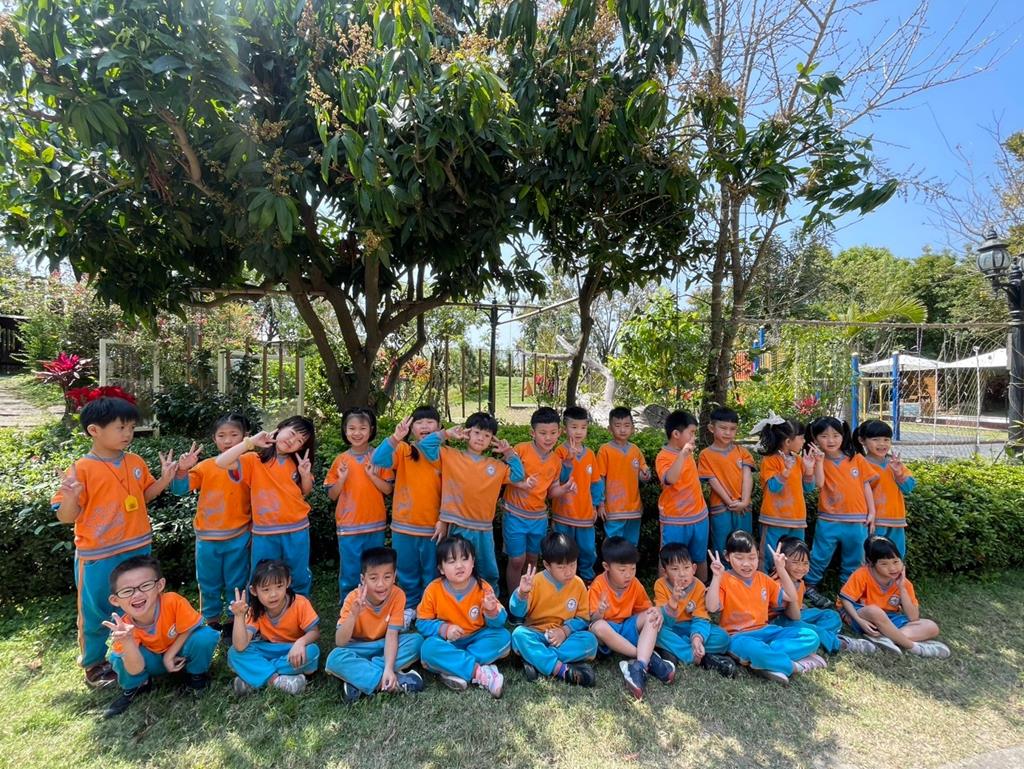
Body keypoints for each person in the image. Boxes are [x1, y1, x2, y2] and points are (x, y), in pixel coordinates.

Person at [53, 396, 179, 689]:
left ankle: (141, 649)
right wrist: (70, 497)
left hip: (138, 548)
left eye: (131, 428)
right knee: (96, 610)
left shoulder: (134, 462)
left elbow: (144, 495)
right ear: (94, 430)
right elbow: (66, 517)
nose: (128, 434)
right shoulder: (81, 469)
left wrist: (165, 479)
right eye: (121, 428)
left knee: (142, 603)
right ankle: (95, 664)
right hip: (99, 555)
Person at [419, 413, 525, 596]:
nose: (481, 438)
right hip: (456, 525)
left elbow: (518, 475)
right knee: (454, 567)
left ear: (491, 440)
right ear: (467, 433)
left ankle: (491, 603)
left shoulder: (496, 466)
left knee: (487, 570)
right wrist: (447, 434)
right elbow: (425, 446)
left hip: (483, 528)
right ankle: (452, 602)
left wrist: (508, 452)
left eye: (487, 436)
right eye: (476, 433)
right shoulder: (450, 455)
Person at [101, 555, 219, 718]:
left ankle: (196, 675)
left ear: (159, 585)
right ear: (115, 600)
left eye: (145, 585)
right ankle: (137, 686)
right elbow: (135, 668)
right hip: (151, 662)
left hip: (180, 654)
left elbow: (188, 628)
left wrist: (170, 655)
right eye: (127, 591)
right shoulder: (124, 627)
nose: (137, 594)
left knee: (205, 636)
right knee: (118, 657)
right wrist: (127, 641)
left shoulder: (172, 602)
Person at [706, 531, 826, 685]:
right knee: (753, 649)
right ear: (727, 556)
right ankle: (796, 666)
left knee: (811, 637)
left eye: (751, 557)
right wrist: (716, 577)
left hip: (766, 632)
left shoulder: (763, 578)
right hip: (738, 636)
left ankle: (766, 661)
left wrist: (781, 569)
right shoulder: (723, 579)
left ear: (758, 555)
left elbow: (791, 597)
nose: (746, 564)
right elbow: (712, 607)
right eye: (739, 558)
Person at [171, 413, 253, 636]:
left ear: (245, 437)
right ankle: (212, 620)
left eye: (234, 435)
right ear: (214, 439)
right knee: (208, 582)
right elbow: (179, 489)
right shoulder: (206, 466)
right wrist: (182, 470)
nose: (228, 440)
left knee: (237, 581)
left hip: (239, 536)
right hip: (207, 539)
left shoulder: (250, 463)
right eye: (221, 435)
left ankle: (235, 619)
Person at [214, 416, 316, 596]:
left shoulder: (298, 462)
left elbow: (304, 491)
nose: (292, 441)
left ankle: (300, 609)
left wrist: (305, 474)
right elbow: (221, 462)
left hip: (297, 529)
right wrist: (250, 442)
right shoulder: (254, 460)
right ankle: (256, 612)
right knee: (261, 577)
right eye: (292, 433)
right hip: (264, 532)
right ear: (281, 427)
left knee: (298, 575)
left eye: (300, 441)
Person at [372, 405, 444, 626]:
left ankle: (430, 607)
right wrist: (396, 437)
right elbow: (378, 459)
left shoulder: (445, 455)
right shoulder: (403, 450)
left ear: (439, 427)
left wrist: (443, 519)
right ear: (412, 429)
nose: (425, 426)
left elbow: (452, 491)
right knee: (407, 569)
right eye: (419, 422)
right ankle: (410, 606)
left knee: (432, 570)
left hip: (433, 527)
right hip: (404, 526)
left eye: (430, 421)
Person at [325, 546, 425, 703]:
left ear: (394, 577)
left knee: (417, 641)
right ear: (363, 579)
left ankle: (359, 678)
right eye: (373, 578)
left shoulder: (398, 595)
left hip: (384, 644)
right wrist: (353, 615)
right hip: (356, 648)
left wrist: (388, 668)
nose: (381, 584)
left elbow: (392, 635)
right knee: (335, 657)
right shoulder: (353, 599)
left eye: (387, 577)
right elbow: (340, 641)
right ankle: (390, 681)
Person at [416, 535, 512, 698]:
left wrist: (491, 611)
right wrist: (445, 629)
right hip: (448, 643)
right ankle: (480, 673)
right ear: (441, 568)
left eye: (465, 559)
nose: (459, 565)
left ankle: (453, 667)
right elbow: (421, 623)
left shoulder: (483, 587)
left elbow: (500, 622)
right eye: (451, 561)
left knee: (504, 637)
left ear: (473, 562)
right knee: (428, 648)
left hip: (477, 639)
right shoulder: (433, 590)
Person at [803, 417, 879, 609]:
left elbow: (866, 486)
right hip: (828, 520)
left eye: (836, 435)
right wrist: (819, 462)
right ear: (815, 438)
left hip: (857, 520)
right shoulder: (817, 460)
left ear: (843, 436)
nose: (831, 440)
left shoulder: (856, 458)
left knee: (855, 557)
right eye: (824, 436)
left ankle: (848, 592)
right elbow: (819, 484)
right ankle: (808, 586)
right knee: (819, 556)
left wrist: (872, 512)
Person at [588, 536, 675, 699]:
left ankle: (639, 665)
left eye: (633, 568)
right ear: (606, 567)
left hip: (626, 627)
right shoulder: (598, 585)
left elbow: (645, 609)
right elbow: (593, 620)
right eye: (622, 570)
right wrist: (600, 610)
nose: (628, 575)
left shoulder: (634, 584)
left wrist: (656, 612)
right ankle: (645, 657)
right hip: (608, 632)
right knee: (598, 627)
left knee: (651, 615)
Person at [509, 531, 597, 687]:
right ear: (547, 565)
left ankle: (536, 659)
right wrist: (522, 594)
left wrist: (564, 631)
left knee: (590, 641)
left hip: (563, 638)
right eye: (561, 567)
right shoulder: (535, 582)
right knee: (518, 635)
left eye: (573, 564)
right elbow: (517, 613)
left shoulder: (578, 584)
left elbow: (583, 619)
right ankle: (560, 670)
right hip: (536, 634)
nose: (569, 571)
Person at [838, 536, 950, 658]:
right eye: (884, 564)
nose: (892, 568)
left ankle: (884, 638)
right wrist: (859, 620)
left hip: (889, 618)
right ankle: (914, 647)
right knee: (875, 611)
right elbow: (845, 600)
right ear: (871, 563)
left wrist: (902, 588)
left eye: (896, 562)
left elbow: (913, 617)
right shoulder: (862, 574)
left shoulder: (904, 583)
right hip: (860, 615)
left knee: (932, 627)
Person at [325, 407, 394, 601]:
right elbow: (332, 495)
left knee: (376, 568)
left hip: (375, 524)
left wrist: (372, 475)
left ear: (371, 429)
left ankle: (375, 602)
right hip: (349, 526)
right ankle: (349, 604)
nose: (357, 433)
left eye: (362, 428)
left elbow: (388, 489)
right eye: (352, 428)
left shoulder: (380, 457)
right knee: (351, 570)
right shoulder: (341, 460)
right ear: (344, 430)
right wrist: (342, 479)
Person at [227, 559, 321, 695]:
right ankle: (278, 681)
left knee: (312, 651)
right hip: (269, 649)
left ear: (288, 583)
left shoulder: (300, 603)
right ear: (254, 591)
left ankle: (254, 675)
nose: (273, 594)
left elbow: (314, 632)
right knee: (234, 653)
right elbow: (240, 646)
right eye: (266, 589)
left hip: (293, 650)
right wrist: (239, 616)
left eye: (279, 586)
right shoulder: (255, 611)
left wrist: (300, 642)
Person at [770, 536, 876, 655]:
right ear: (782, 562)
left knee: (831, 616)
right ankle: (839, 643)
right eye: (795, 562)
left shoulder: (799, 581)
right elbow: (794, 617)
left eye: (805, 563)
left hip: (794, 616)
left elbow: (798, 610)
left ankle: (820, 640)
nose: (801, 568)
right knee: (804, 627)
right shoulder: (776, 584)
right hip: (776, 623)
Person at [501, 406, 564, 598]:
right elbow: (503, 475)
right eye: (543, 433)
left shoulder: (556, 460)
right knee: (517, 560)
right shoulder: (520, 450)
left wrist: (565, 489)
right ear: (532, 432)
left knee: (532, 560)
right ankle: (514, 602)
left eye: (553, 432)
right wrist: (523, 484)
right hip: (515, 514)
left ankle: (528, 599)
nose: (548, 437)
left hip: (538, 518)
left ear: (559, 432)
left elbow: (551, 491)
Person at [653, 542, 736, 677]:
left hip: (691, 628)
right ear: (665, 572)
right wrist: (673, 601)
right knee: (655, 632)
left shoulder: (699, 586)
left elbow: (701, 618)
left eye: (686, 568)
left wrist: (697, 639)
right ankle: (700, 657)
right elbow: (664, 621)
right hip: (671, 629)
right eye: (674, 569)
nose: (682, 574)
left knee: (723, 638)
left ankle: (675, 651)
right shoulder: (660, 585)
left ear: (694, 569)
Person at [550, 406, 604, 583]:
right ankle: (563, 582)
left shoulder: (590, 454)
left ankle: (587, 580)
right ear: (565, 429)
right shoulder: (559, 452)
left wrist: (596, 505)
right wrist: (569, 460)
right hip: (563, 514)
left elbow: (596, 482)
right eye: (574, 427)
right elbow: (558, 480)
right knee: (563, 550)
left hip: (585, 514)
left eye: (583, 427)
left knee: (587, 549)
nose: (579, 431)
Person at [752, 413, 813, 570]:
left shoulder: (798, 460)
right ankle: (764, 580)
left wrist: (810, 470)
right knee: (768, 556)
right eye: (801, 438)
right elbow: (774, 488)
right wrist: (785, 473)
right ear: (787, 441)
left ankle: (792, 581)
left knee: (796, 556)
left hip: (797, 519)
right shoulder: (770, 460)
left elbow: (808, 488)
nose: (804, 441)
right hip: (773, 519)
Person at [655, 410, 709, 582]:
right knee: (668, 558)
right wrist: (683, 455)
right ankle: (663, 593)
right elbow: (670, 479)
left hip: (699, 516)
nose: (694, 437)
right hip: (674, 520)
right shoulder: (663, 457)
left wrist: (685, 453)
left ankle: (702, 591)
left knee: (699, 557)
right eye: (691, 433)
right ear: (676, 434)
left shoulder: (688, 452)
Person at [697, 407, 756, 556]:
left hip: (744, 508)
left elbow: (747, 477)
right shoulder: (705, 455)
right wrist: (730, 503)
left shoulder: (742, 452)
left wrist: (745, 501)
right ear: (711, 428)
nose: (728, 433)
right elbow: (713, 481)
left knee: (745, 545)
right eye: (723, 428)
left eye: (732, 429)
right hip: (721, 508)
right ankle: (722, 571)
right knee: (721, 546)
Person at [854, 420, 915, 557]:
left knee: (897, 557)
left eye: (886, 440)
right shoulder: (860, 463)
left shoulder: (894, 463)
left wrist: (899, 473)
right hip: (872, 522)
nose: (882, 444)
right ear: (862, 440)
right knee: (872, 557)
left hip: (896, 520)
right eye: (875, 439)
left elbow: (908, 487)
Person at [595, 406, 651, 546]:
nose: (622, 429)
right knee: (613, 545)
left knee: (632, 546)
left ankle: (630, 562)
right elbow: (599, 479)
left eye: (626, 425)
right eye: (618, 425)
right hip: (613, 509)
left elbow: (644, 470)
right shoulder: (604, 450)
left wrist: (645, 475)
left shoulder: (635, 450)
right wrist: (600, 504)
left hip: (634, 509)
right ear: (610, 429)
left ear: (632, 428)